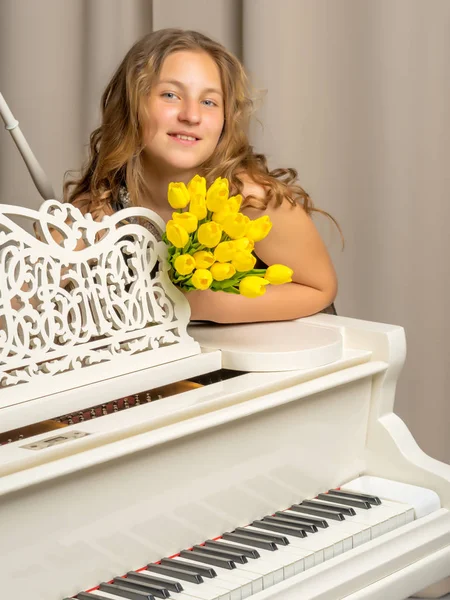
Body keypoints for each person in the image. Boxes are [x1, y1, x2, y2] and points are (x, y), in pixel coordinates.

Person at [64, 28, 338, 323]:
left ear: (224, 119)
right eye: (170, 95)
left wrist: (208, 305)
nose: (191, 116)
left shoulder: (252, 202)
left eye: (209, 102)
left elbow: (322, 288)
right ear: (131, 106)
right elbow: (21, 299)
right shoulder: (104, 202)